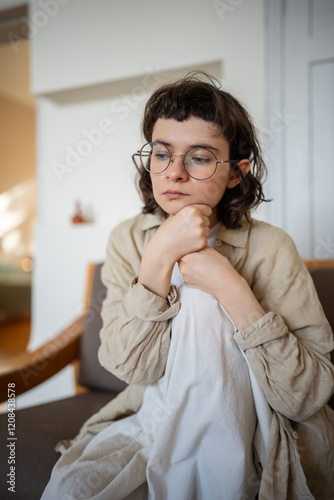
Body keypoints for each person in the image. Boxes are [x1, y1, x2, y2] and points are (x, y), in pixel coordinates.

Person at [42, 73, 334, 500]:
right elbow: (131, 369)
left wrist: (231, 288)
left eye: (199, 157)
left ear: (237, 172)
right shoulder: (128, 239)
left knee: (202, 298)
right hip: (157, 415)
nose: (174, 173)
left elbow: (305, 396)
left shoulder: (273, 247)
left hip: (255, 422)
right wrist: (159, 257)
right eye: (162, 154)